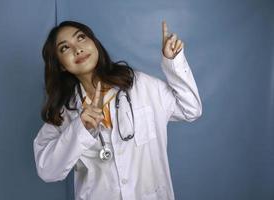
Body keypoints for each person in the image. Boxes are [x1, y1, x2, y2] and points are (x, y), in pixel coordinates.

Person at [33, 20, 202, 200]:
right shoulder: (64, 113)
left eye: (81, 38)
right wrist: (80, 128)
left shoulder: (140, 85)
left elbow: (190, 109)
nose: (77, 49)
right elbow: (47, 171)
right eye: (64, 48)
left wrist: (173, 62)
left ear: (94, 43)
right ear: (61, 65)